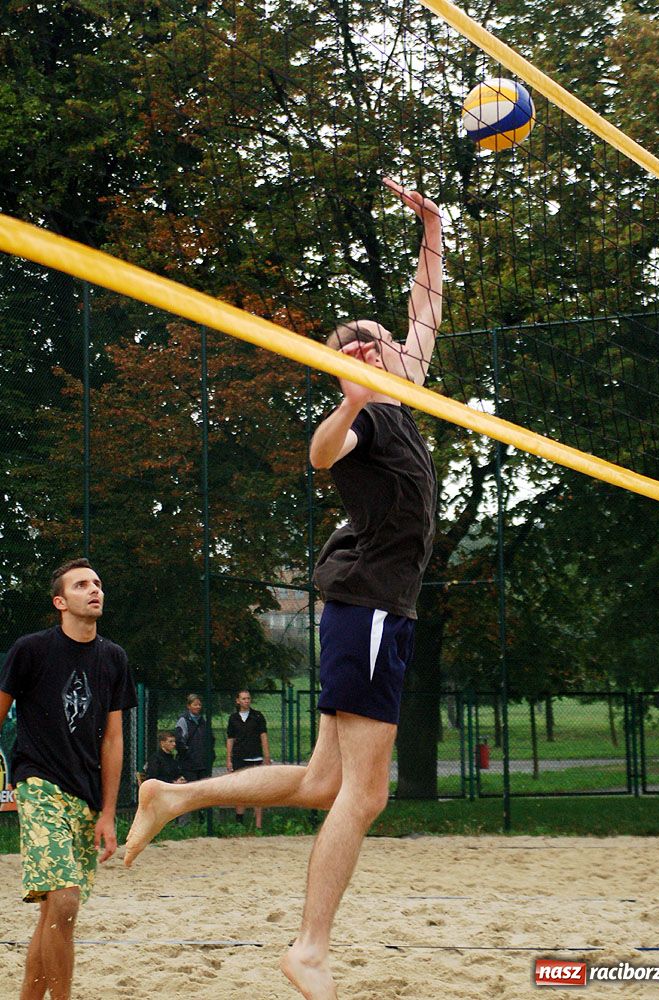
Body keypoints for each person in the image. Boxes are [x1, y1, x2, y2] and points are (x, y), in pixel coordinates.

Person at [124, 175, 442, 1000]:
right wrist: (349, 396)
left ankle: (172, 795)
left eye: (373, 338)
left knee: (319, 784)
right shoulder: (364, 414)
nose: (369, 346)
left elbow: (424, 318)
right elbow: (319, 453)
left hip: (375, 602)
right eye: (351, 344)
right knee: (368, 794)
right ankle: (308, 947)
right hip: (369, 602)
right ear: (337, 362)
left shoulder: (402, 396)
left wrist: (433, 235)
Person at [0, 557, 137, 1000]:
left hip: (87, 795)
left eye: (97, 583)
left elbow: (113, 741)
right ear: (61, 601)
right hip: (37, 782)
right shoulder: (31, 650)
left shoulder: (114, 658)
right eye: (81, 585)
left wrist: (110, 813)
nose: (94, 589)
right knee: (64, 900)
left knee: (52, 914)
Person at [226, 689, 271, 829]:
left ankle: (258, 826)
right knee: (239, 790)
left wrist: (267, 756)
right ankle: (239, 824)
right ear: (238, 701)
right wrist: (229, 758)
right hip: (239, 757)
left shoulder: (257, 716)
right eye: (243, 699)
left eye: (248, 698)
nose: (246, 701)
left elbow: (263, 736)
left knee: (257, 790)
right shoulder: (233, 718)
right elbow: (230, 739)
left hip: (255, 757)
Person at [175, 693, 213, 783]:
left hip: (203, 763)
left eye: (199, 705)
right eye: (195, 705)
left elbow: (210, 739)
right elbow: (179, 741)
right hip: (189, 765)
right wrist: (188, 752)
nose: (198, 707)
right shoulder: (183, 721)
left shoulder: (203, 721)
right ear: (189, 706)